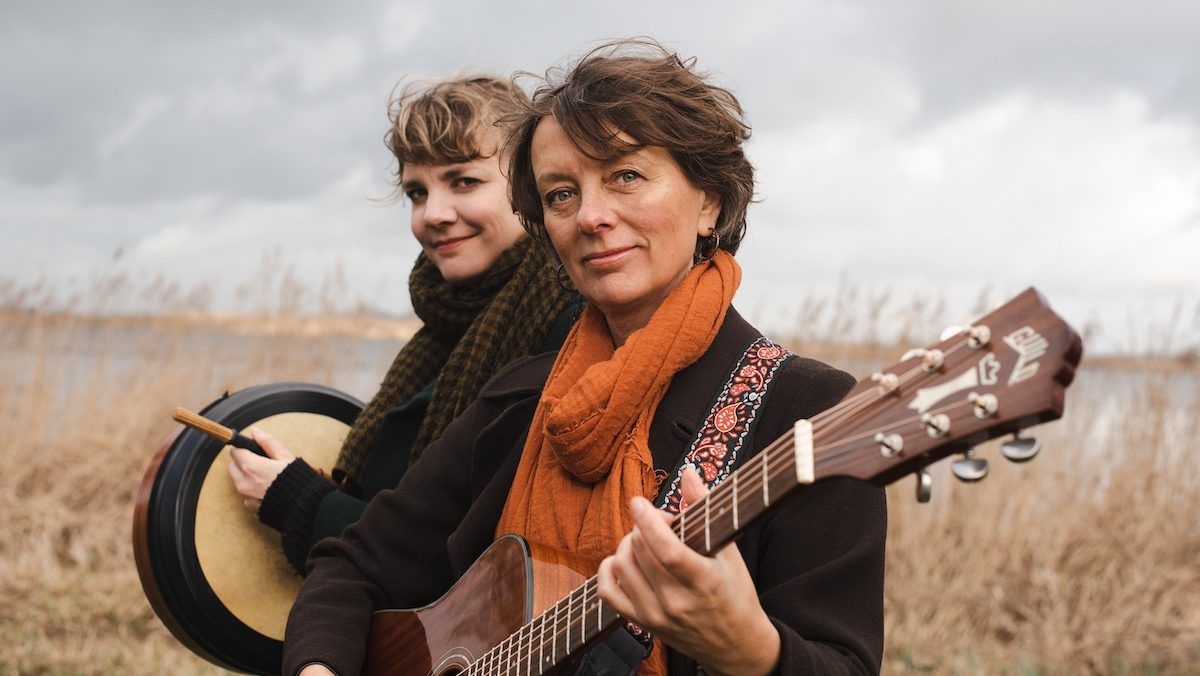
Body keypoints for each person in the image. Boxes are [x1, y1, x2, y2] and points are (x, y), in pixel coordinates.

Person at [284, 40, 886, 675]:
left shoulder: (809, 412)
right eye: (561, 194)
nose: (591, 216)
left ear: (708, 202)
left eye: (626, 175)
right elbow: (352, 566)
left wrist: (754, 652)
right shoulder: (521, 399)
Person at [226, 76, 580, 574]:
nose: (433, 214)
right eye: (417, 192)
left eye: (464, 181)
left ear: (529, 184)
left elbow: (459, 549)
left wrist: (298, 501)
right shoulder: (445, 331)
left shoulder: (566, 325)